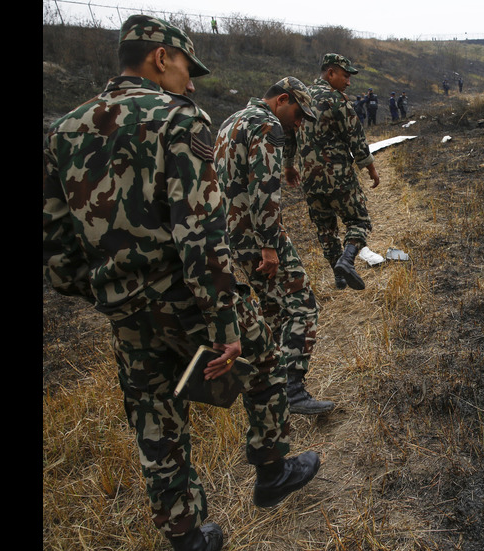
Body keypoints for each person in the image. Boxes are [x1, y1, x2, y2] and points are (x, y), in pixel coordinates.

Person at [42, 15, 319, 551]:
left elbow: (55, 247)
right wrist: (223, 325)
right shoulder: (178, 118)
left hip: (124, 308)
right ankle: (271, 469)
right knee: (260, 357)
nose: (191, 81)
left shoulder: (63, 131)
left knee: (154, 416)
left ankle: (188, 536)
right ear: (161, 57)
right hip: (188, 298)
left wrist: (107, 292)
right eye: (187, 66)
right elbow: (201, 235)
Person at [213, 76, 335, 415]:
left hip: (234, 235)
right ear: (282, 100)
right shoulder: (266, 125)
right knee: (303, 305)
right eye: (298, 114)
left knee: (274, 311)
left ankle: (272, 393)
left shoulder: (230, 122)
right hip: (259, 235)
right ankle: (293, 390)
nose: (298, 124)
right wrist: (269, 245)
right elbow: (264, 188)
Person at [297, 53, 380, 290]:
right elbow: (356, 138)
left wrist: (289, 166)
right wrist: (371, 168)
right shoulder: (337, 100)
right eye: (345, 75)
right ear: (330, 73)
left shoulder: (299, 99)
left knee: (325, 228)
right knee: (359, 219)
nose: (349, 81)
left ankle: (339, 276)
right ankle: (346, 260)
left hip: (309, 180)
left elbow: (290, 133)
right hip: (338, 177)